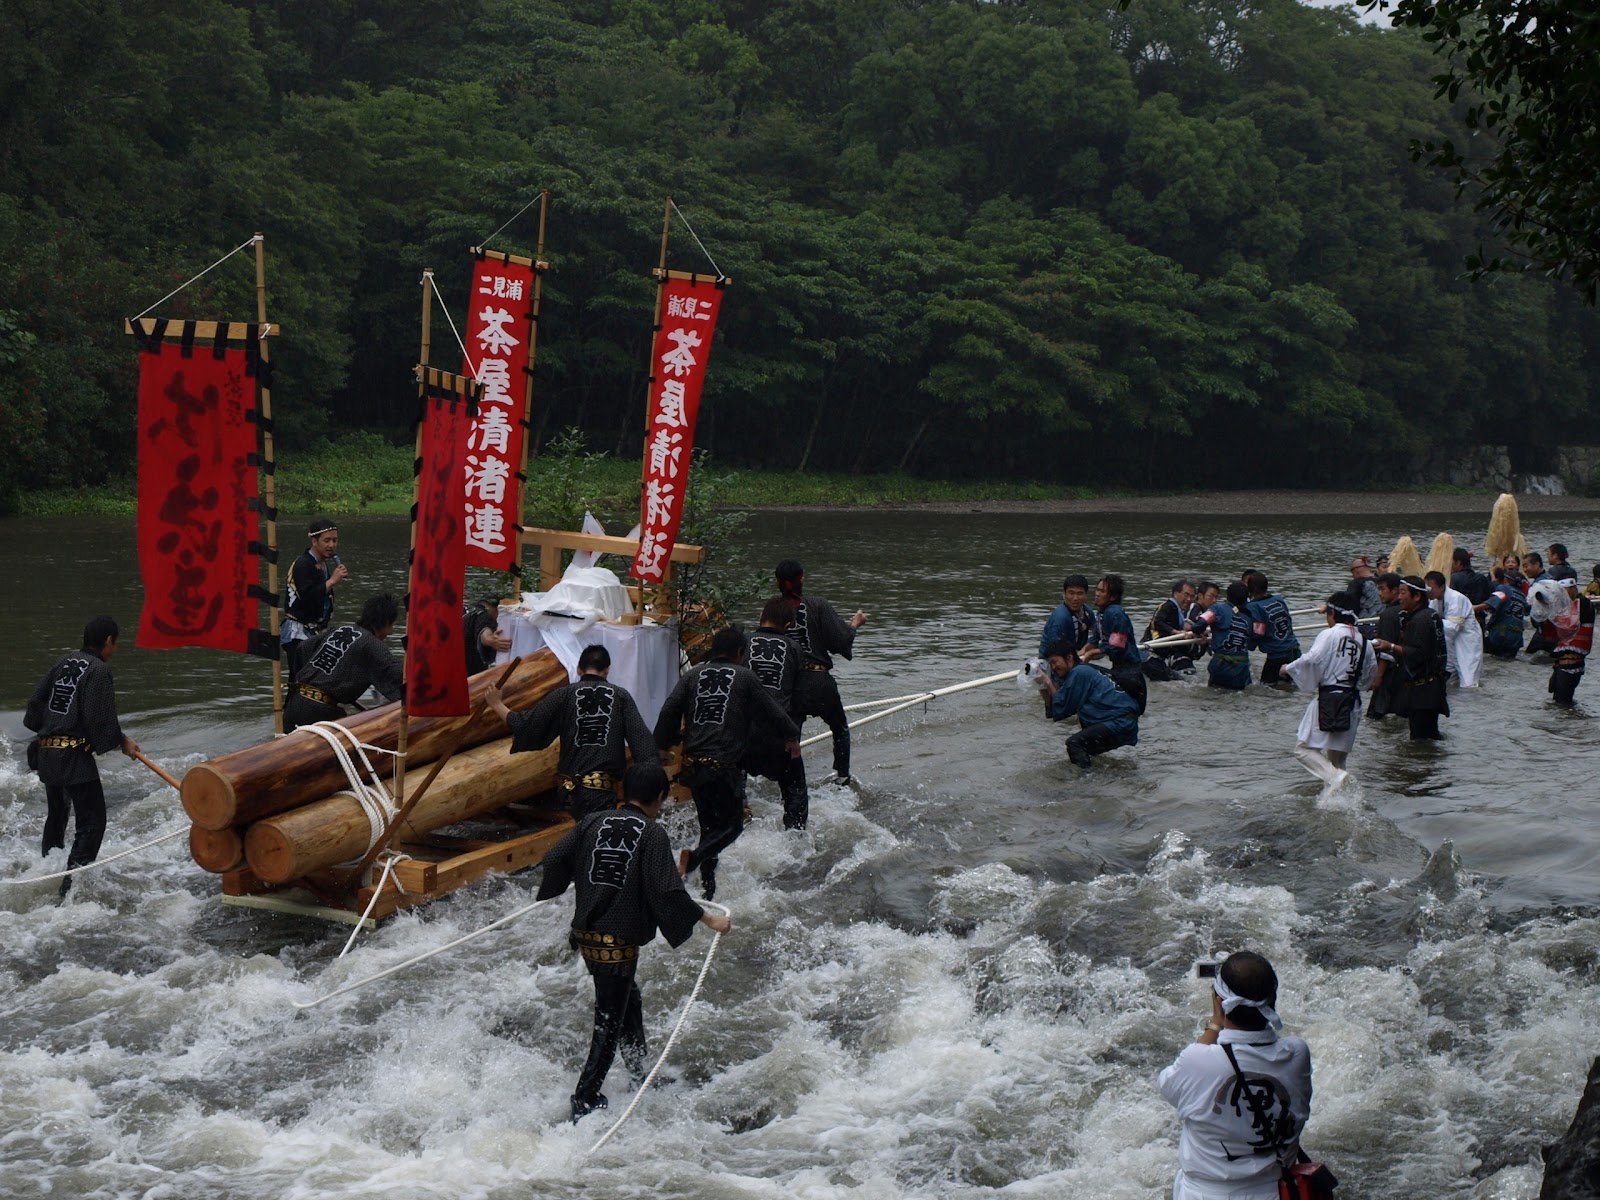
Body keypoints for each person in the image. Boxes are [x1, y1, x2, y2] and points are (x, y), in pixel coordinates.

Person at [535, 763, 732, 1123]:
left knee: (629, 1001)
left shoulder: (593, 820)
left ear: (625, 792)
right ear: (659, 797)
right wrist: (710, 919)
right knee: (607, 1021)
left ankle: (640, 1073)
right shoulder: (651, 833)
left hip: (586, 933)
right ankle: (585, 1097)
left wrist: (579, 883)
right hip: (617, 941)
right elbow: (668, 889)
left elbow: (553, 858)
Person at [654, 626, 800, 900]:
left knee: (709, 829)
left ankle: (707, 890)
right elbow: (772, 710)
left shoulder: (693, 676)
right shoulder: (745, 677)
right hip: (725, 768)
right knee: (733, 827)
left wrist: (662, 746)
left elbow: (669, 709)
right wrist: (791, 735)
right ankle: (695, 860)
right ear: (740, 653)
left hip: (694, 768)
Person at [1158, 951, 1313, 1200]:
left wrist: (1215, 1024)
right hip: (1277, 1191)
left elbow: (1168, 1085)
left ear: (1219, 1002)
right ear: (1272, 1000)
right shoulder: (1296, 1054)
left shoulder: (1198, 1062)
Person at [23, 616, 142, 897]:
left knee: (57, 815)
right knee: (93, 822)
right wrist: (120, 741)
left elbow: (34, 708)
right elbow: (98, 718)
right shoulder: (98, 670)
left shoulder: (63, 663)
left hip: (47, 753)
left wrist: (51, 729)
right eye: (116, 644)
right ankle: (70, 890)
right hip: (72, 757)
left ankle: (47, 870)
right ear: (109, 641)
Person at [485, 644, 657, 819]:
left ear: (579, 669)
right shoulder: (620, 697)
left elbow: (526, 724)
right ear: (607, 671)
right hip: (602, 793)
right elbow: (643, 746)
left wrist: (496, 704)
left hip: (569, 793)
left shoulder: (564, 695)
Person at [775, 560, 865, 785]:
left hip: (790, 684)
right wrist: (853, 625)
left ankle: (790, 781)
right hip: (819, 680)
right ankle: (842, 777)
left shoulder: (772, 610)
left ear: (776, 581)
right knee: (839, 728)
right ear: (802, 579)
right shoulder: (817, 605)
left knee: (790, 735)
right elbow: (839, 640)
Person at [1284, 593, 1377, 789]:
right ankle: (1336, 800)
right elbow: (1371, 676)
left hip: (1329, 700)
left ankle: (1336, 778)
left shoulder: (1330, 634)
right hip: (1353, 703)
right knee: (1337, 760)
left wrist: (1288, 669)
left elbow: (1311, 659)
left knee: (1303, 750)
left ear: (1333, 613)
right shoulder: (1365, 641)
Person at [282, 594, 405, 734]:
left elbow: (302, 648)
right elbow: (397, 673)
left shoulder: (339, 629)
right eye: (392, 625)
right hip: (320, 712)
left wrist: (314, 677)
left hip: (294, 704)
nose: (391, 631)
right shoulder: (371, 644)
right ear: (386, 622)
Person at [744, 597, 810, 830]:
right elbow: (801, 699)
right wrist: (794, 737)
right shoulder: (794, 648)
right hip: (780, 735)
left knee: (734, 790)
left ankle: (742, 823)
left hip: (743, 734)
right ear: (788, 626)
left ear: (761, 618)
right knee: (796, 793)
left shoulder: (743, 642)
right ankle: (796, 839)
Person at [1038, 640, 1140, 768]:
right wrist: (1042, 686)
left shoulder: (1079, 672)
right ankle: (1101, 779)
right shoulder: (1082, 671)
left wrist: (1047, 682)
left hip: (1119, 722)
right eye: (1050, 664)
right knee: (1085, 750)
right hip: (1125, 722)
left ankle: (1085, 783)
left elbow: (1061, 708)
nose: (1053, 668)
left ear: (1069, 657)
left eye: (1054, 662)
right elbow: (1055, 711)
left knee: (1075, 744)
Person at [1372, 576, 1448, 740]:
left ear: (1417, 596)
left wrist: (1390, 646)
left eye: (1403, 593)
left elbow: (1417, 654)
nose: (1399, 598)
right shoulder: (1432, 615)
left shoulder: (1419, 620)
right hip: (1435, 685)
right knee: (1431, 736)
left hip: (1423, 690)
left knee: (1419, 739)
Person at [281, 517, 349, 677]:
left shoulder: (322, 564)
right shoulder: (303, 564)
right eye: (327, 540)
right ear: (314, 540)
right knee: (301, 681)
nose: (331, 545)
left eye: (334, 540)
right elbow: (307, 596)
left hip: (313, 631)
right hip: (297, 631)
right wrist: (332, 581)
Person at [1084, 574, 1149, 714]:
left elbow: (1115, 646)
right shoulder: (1101, 612)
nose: (1097, 594)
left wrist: (1090, 654)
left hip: (1130, 674)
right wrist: (1078, 655)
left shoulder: (1115, 613)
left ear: (1112, 597)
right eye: (1097, 590)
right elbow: (1095, 640)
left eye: (1102, 591)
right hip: (1118, 669)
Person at [1531, 577, 1594, 707]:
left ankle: (1571, 723)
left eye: (1562, 592)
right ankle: (1565, 723)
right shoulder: (1563, 609)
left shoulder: (1583, 603)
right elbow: (1546, 632)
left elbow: (1570, 623)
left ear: (1573, 588)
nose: (1560, 596)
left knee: (1563, 702)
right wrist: (1543, 606)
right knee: (1556, 699)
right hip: (1561, 663)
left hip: (1573, 664)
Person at [1425, 570, 1483, 688]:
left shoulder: (1456, 599)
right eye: (1427, 588)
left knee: (1469, 682)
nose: (1428, 591)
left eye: (1431, 588)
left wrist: (1428, 620)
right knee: (1446, 679)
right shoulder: (1434, 601)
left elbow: (1453, 627)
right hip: (1449, 643)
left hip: (1467, 641)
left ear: (1441, 587)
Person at [1192, 581, 1253, 690]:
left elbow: (1200, 623)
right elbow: (1253, 641)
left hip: (1222, 665)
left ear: (1227, 596)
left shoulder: (1217, 609)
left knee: (1213, 695)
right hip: (1242, 667)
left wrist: (1197, 632)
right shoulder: (1249, 618)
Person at [1243, 572, 1300, 685]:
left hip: (1277, 655)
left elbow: (1258, 632)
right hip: (1294, 649)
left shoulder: (1253, 607)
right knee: (1290, 685)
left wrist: (1248, 645)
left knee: (1266, 686)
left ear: (1250, 590)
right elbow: (1288, 620)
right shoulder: (1279, 600)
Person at [1366, 573, 1406, 719]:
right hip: (1406, 670)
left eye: (1382, 589)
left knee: (1375, 715)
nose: (1379, 593)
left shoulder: (1389, 614)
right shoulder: (1407, 611)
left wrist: (1378, 677)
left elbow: (1385, 651)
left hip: (1389, 672)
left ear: (1395, 590)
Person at [1145, 579, 1199, 673]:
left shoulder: (1179, 611)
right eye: (1186, 595)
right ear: (1175, 594)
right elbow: (1158, 622)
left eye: (1192, 596)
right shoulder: (1168, 606)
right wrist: (1176, 632)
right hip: (1152, 649)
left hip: (1168, 651)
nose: (1189, 599)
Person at [1040, 574, 1099, 657]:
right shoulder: (1060, 617)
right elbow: (1054, 650)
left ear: (1086, 595)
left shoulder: (1087, 612)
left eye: (1080, 593)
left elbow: (1098, 633)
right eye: (1071, 593)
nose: (1075, 598)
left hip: (1076, 654)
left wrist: (1087, 648)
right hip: (1053, 661)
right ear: (1064, 594)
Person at [1477, 568, 1530, 658]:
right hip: (1517, 638)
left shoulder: (1503, 588)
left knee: (1492, 659)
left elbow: (1495, 600)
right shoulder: (1523, 596)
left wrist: (1474, 607)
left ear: (1505, 580)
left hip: (1501, 634)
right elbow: (1527, 611)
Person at [464, 597, 511, 675]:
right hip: (469, 667)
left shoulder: (469, 611)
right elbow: (484, 630)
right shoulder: (483, 615)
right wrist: (489, 640)